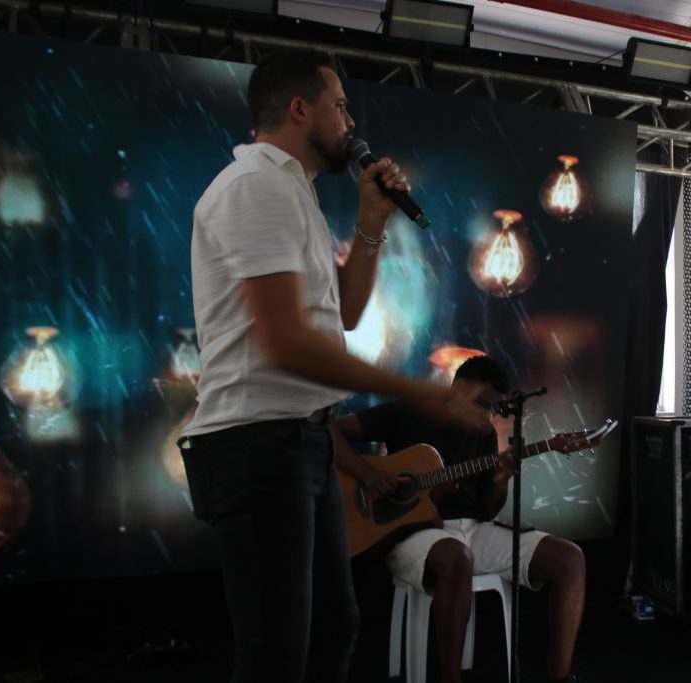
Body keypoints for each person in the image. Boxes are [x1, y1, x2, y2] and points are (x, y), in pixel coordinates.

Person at [177, 50, 489, 683]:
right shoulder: (256, 186)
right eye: (340, 106)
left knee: (331, 629)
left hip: (300, 442)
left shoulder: (295, 193)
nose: (351, 122)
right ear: (300, 109)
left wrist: (371, 220)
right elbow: (287, 343)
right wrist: (416, 392)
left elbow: (344, 312)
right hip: (257, 447)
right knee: (276, 654)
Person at [334, 355, 586, 683]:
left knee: (569, 559)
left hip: (473, 529)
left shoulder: (483, 434)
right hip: (413, 532)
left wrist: (501, 480)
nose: (486, 414)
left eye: (492, 408)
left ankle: (560, 675)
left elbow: (488, 509)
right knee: (458, 557)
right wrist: (367, 474)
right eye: (481, 403)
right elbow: (330, 430)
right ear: (458, 386)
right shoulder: (405, 411)